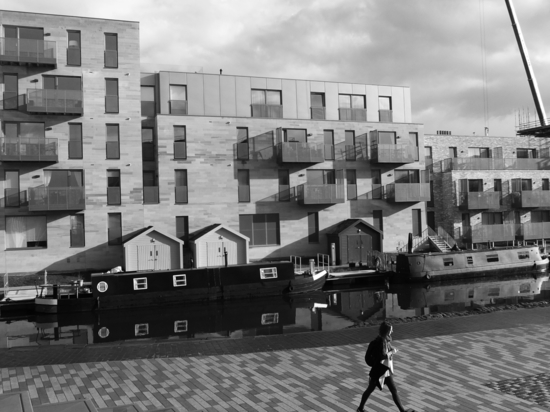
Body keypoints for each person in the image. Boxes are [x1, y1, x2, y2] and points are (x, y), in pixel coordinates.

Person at [357, 322, 415, 412]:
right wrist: (392, 352)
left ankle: (402, 411)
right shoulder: (381, 342)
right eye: (391, 329)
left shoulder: (384, 339)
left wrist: (391, 349)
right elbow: (382, 356)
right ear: (387, 331)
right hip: (378, 371)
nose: (392, 331)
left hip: (384, 370)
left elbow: (385, 350)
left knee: (393, 390)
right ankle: (360, 408)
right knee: (370, 389)